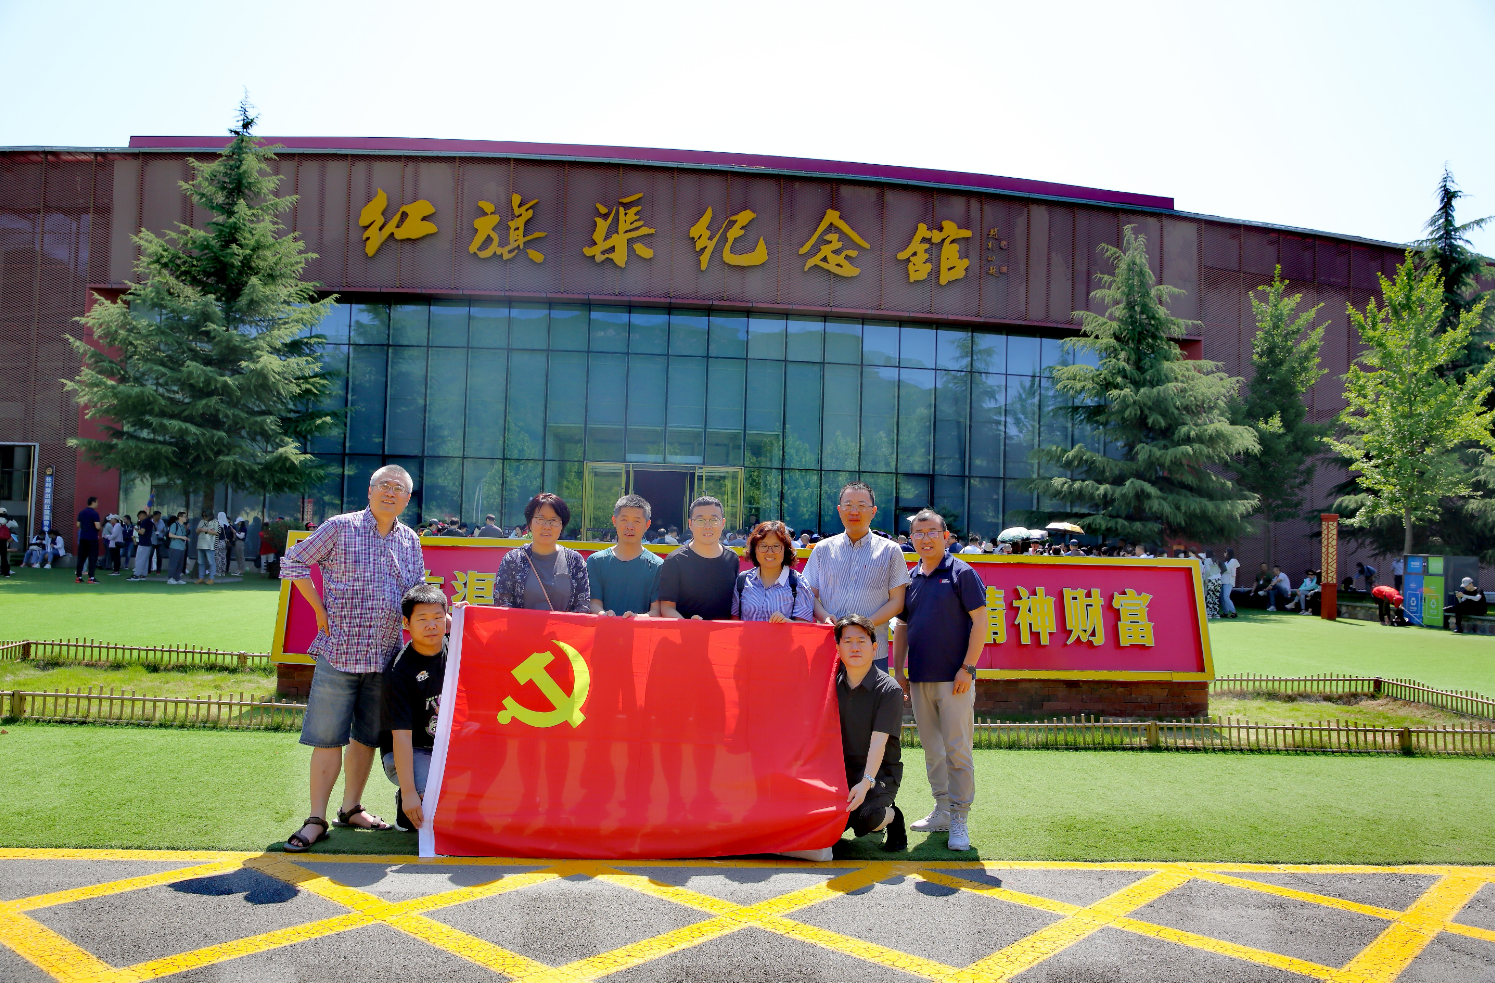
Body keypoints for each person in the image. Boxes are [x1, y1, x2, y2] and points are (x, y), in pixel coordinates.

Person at [280, 465, 425, 852]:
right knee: (328, 739)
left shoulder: (410, 540)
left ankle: (350, 808)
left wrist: (441, 615)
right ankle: (316, 818)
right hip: (339, 652)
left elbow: (416, 591)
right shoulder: (340, 527)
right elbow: (293, 561)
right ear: (370, 490)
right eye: (384, 485)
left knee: (365, 738)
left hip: (385, 657)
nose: (390, 492)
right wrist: (319, 609)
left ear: (407, 499)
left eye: (398, 488)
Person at [893, 509, 988, 852]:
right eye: (918, 533)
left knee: (957, 751)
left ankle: (960, 818)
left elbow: (981, 622)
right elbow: (902, 626)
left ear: (945, 536)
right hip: (919, 679)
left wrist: (968, 667)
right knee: (933, 750)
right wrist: (898, 670)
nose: (925, 538)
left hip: (955, 679)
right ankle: (943, 810)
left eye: (932, 532)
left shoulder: (962, 573)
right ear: (911, 539)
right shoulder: (911, 578)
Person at [800, 482, 911, 672]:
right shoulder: (822, 549)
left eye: (861, 505)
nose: (854, 511)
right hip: (830, 647)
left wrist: (865, 626)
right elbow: (809, 594)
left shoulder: (890, 551)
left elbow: (897, 602)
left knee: (872, 692)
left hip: (873, 651)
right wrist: (825, 617)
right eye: (848, 505)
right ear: (839, 510)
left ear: (873, 511)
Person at [833, 613, 907, 852]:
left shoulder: (889, 690)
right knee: (828, 822)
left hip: (879, 773)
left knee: (867, 819)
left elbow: (879, 743)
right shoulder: (830, 685)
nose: (854, 647)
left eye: (861, 641)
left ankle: (893, 817)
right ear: (838, 648)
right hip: (839, 772)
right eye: (847, 641)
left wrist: (866, 783)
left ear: (875, 648)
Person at [379, 583, 448, 832]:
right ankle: (407, 800)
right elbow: (401, 738)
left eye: (438, 617)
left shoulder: (457, 647)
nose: (431, 625)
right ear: (406, 623)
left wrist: (466, 616)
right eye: (422, 619)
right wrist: (409, 793)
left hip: (448, 746)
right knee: (437, 802)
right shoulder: (399, 671)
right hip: (410, 750)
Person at [493, 493, 591, 612]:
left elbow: (582, 605)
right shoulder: (513, 559)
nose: (547, 526)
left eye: (554, 520)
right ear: (530, 523)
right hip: (522, 625)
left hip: (562, 625)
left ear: (561, 526)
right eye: (540, 519)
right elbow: (502, 603)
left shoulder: (575, 561)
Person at [658, 496, 739, 620]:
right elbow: (667, 607)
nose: (707, 526)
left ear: (722, 523)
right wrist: (690, 626)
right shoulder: (675, 560)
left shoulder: (732, 558)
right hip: (685, 631)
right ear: (690, 524)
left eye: (714, 520)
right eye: (700, 520)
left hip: (724, 632)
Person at [587, 494, 662, 618]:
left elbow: (657, 611)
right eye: (624, 520)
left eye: (637, 521)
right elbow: (594, 603)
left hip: (640, 629)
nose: (630, 527)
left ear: (647, 525)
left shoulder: (657, 566)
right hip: (605, 628)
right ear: (614, 521)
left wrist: (636, 618)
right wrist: (604, 615)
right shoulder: (596, 561)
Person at [732, 520, 816, 623]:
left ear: (785, 549)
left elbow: (805, 627)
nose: (770, 552)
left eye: (776, 546)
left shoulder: (798, 583)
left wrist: (787, 623)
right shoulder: (742, 581)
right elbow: (733, 623)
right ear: (755, 549)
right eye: (763, 546)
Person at [75, 495, 101, 583]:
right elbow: (97, 526)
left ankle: (78, 577)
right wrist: (98, 528)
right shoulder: (95, 513)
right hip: (92, 538)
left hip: (83, 538)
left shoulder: (81, 512)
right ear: (93, 503)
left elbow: (78, 525)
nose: (97, 504)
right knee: (92, 558)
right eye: (97, 502)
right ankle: (91, 578)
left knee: (81, 558)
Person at [193, 510, 220, 585]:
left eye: (206, 516)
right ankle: (201, 578)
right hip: (200, 544)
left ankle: (211, 578)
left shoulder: (215, 522)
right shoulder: (201, 521)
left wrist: (206, 530)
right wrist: (199, 530)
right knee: (200, 562)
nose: (204, 517)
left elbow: (217, 532)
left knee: (211, 562)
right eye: (203, 516)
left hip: (210, 545)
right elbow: (197, 532)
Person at [128, 510, 155, 581]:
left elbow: (142, 532)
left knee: (139, 559)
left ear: (142, 515)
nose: (139, 519)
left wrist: (136, 529)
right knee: (145, 560)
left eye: (139, 517)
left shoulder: (144, 522)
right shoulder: (150, 522)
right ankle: (143, 574)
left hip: (143, 543)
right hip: (148, 543)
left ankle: (136, 575)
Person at [1219, 549, 1240, 618]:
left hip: (1229, 581)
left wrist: (1220, 565)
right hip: (1223, 581)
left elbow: (1226, 570)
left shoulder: (1233, 560)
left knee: (1226, 597)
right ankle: (1225, 612)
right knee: (1222, 598)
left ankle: (1234, 612)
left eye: (1226, 552)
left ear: (1229, 553)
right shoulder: (1226, 561)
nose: (1224, 553)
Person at [0, 507, 14, 578]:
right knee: (4, 557)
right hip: (3, 541)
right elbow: (15, 525)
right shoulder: (7, 520)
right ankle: (6, 572)